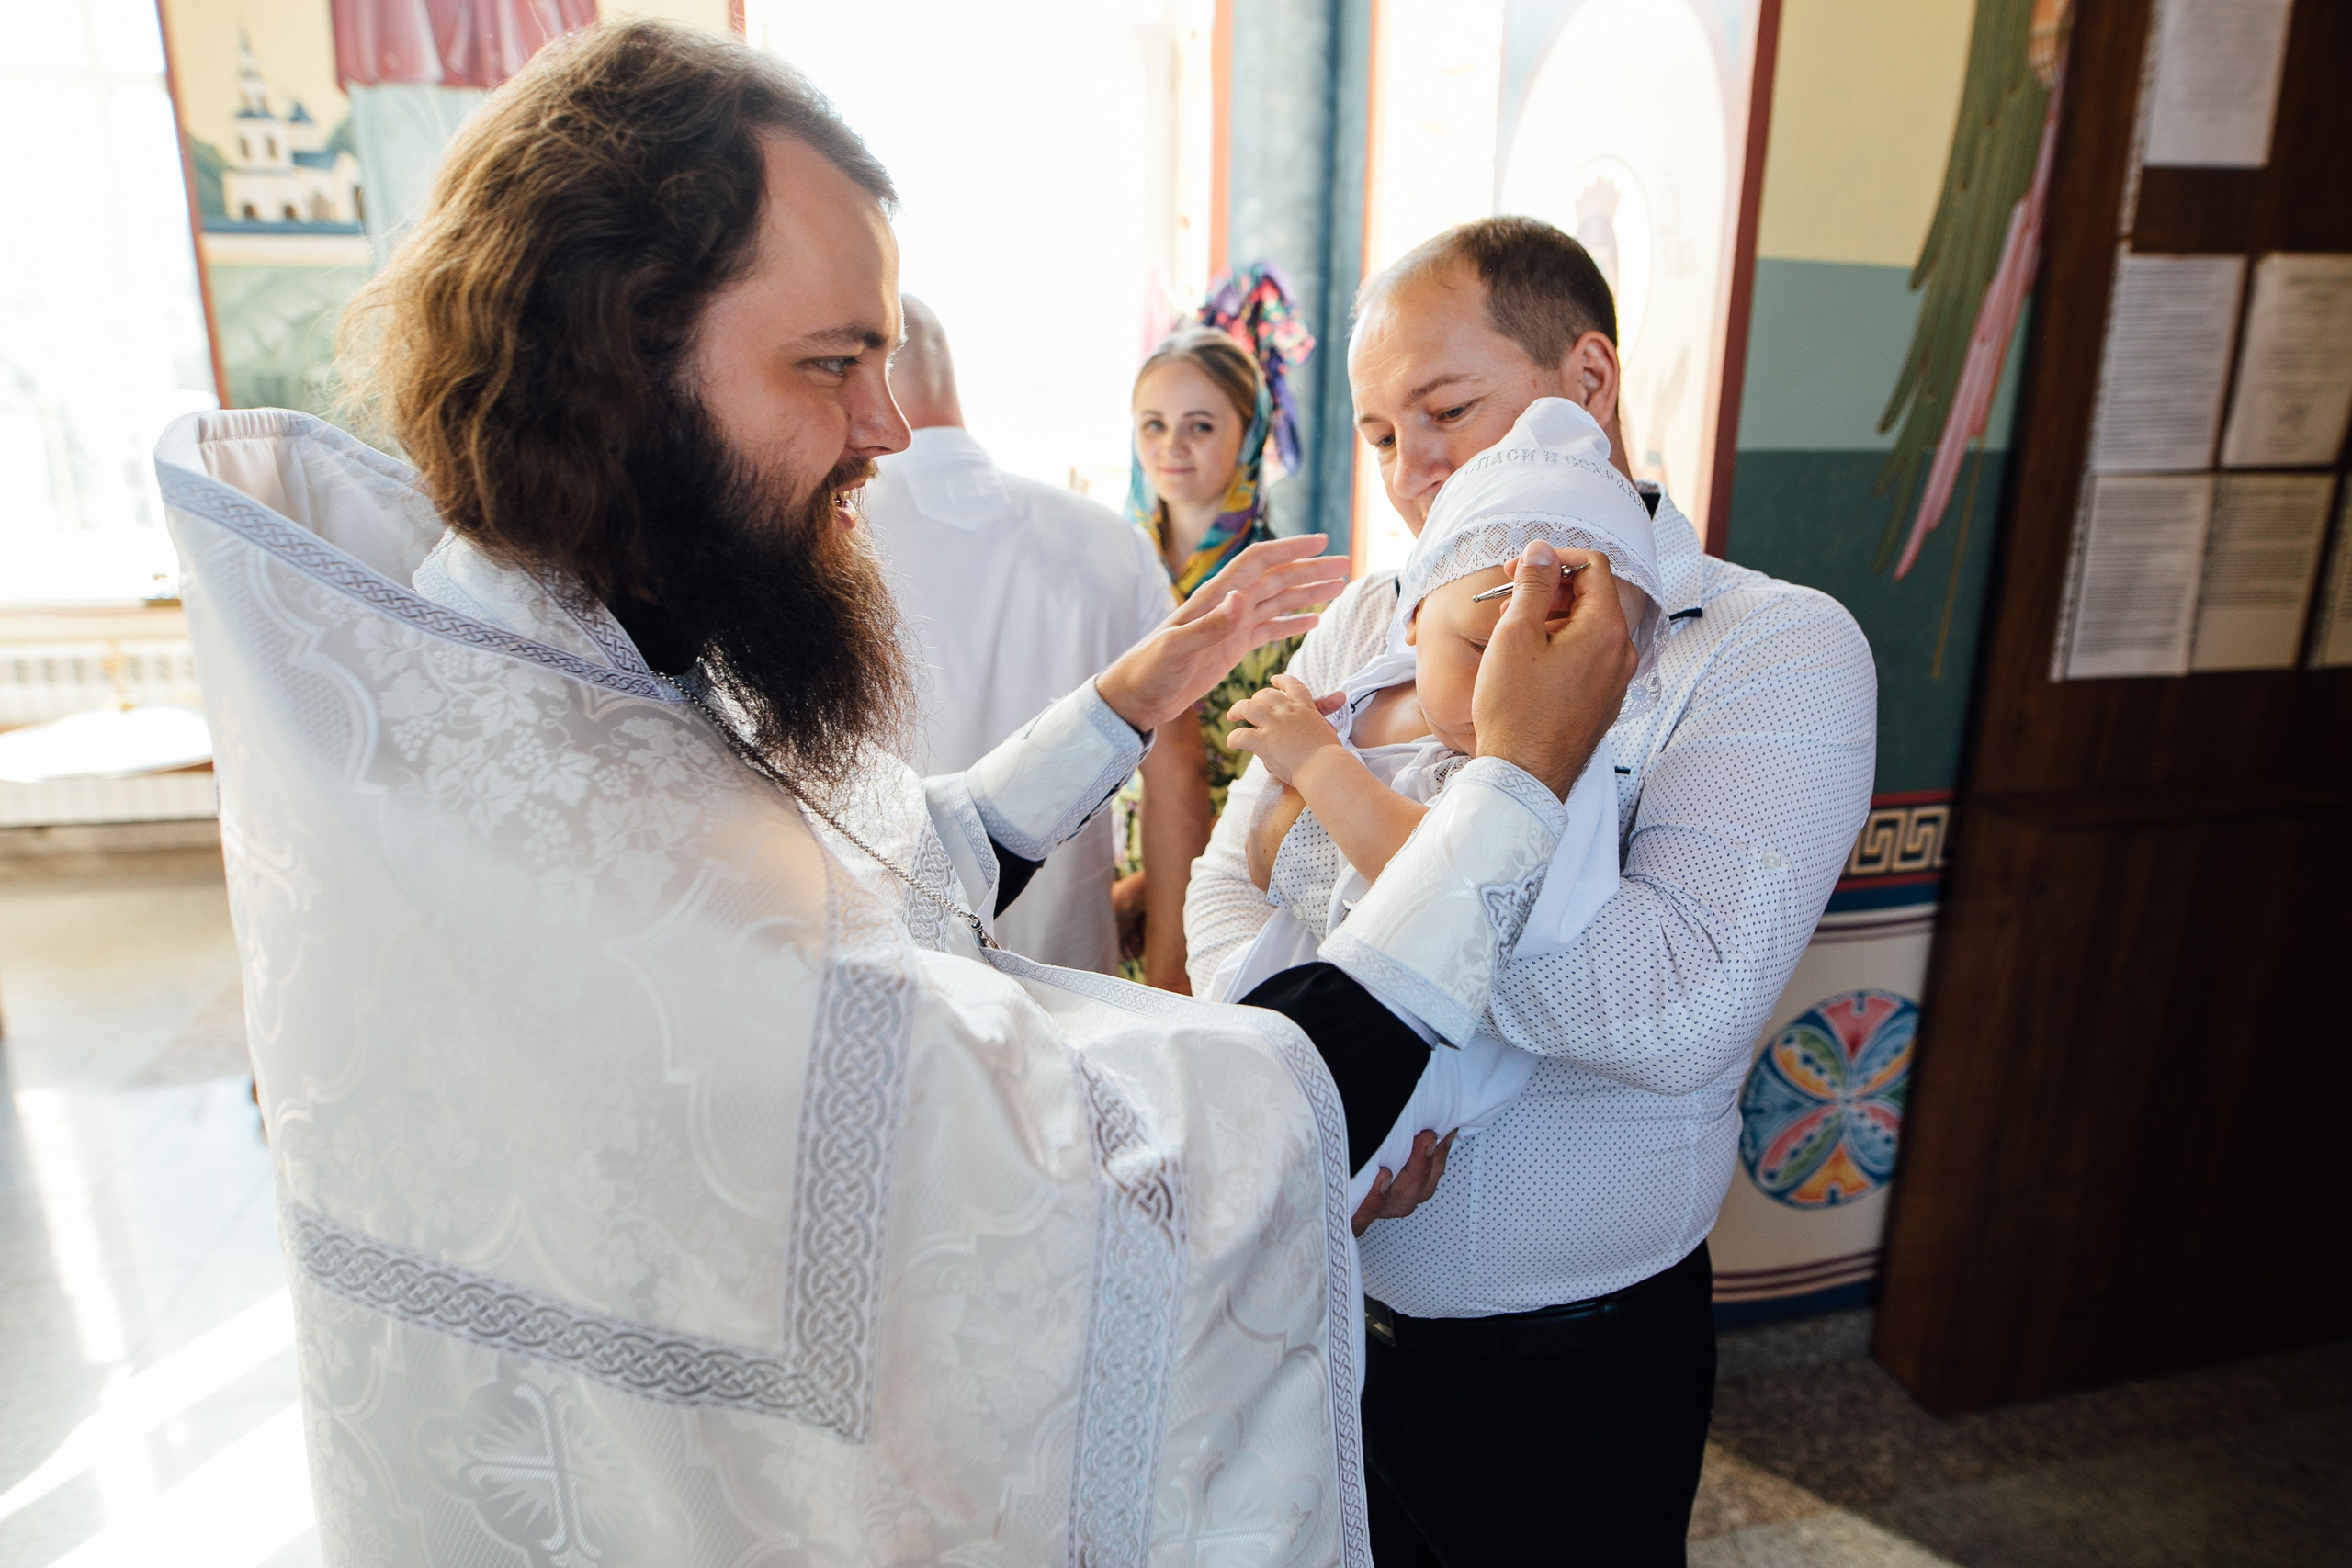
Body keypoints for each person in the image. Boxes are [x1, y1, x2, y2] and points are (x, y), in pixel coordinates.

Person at [153, 30, 1636, 1563]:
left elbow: (884, 863)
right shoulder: (570, 831)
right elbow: (1142, 1191)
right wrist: (1516, 785)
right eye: (830, 362)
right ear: (618, 362)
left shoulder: (550, 667)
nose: (888, 429)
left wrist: (1135, 693)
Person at [1186, 216, 1878, 1563]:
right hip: (1328, 1314)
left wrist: (1349, 836)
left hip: (1574, 1368)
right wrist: (1321, 1101)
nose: (1414, 469)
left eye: (1447, 409)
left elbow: (1671, 1011)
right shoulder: (1378, 615)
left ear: (1590, 381)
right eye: (1382, 434)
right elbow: (1226, 877)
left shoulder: (1766, 646)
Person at [1213, 396, 1661, 1209]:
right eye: (1486, 647)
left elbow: (1447, 887)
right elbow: (1241, 858)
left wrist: (1313, 768)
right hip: (1288, 1012)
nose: (1509, 694)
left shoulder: (1565, 769)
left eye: (1563, 667)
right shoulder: (1372, 679)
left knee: (1260, 1202)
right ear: (1414, 616)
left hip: (1413, 1064)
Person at [861, 294, 1167, 971]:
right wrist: (1173, 983)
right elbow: (1177, 780)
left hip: (899, 971)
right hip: (1074, 969)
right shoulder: (1110, 540)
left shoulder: (828, 537)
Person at [1117, 272, 1316, 988]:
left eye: (1200, 425)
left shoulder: (1284, 593)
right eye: (1154, 423)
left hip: (1225, 899)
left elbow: (1279, 781)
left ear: (1249, 433)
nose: (1173, 446)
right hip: (1110, 888)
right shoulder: (1112, 571)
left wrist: (1173, 889)